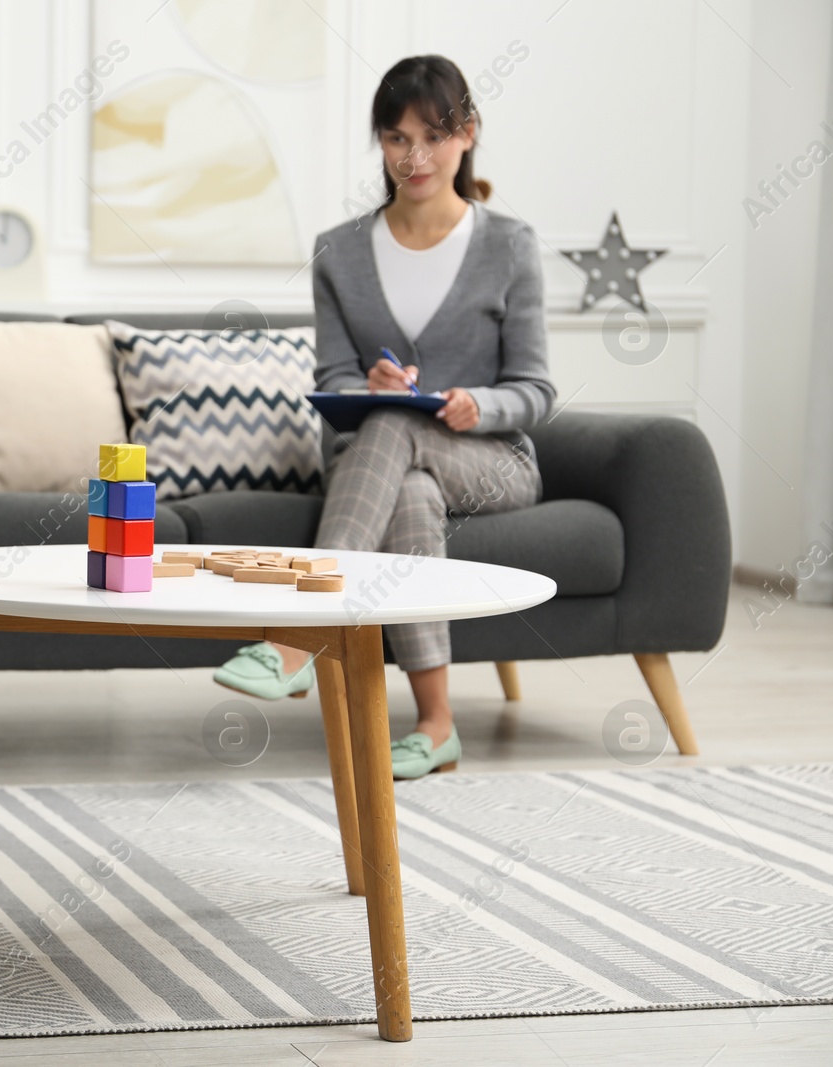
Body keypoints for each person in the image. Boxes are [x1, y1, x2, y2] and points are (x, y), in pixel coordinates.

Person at [213, 54, 554, 779]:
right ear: (381, 144)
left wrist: (475, 404)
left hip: (492, 461)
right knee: (409, 488)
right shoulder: (339, 251)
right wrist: (366, 381)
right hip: (386, 462)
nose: (415, 156)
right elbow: (331, 379)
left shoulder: (510, 246)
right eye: (397, 138)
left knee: (398, 428)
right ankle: (436, 725)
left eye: (433, 135)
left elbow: (535, 390)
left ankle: (297, 637)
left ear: (467, 135)